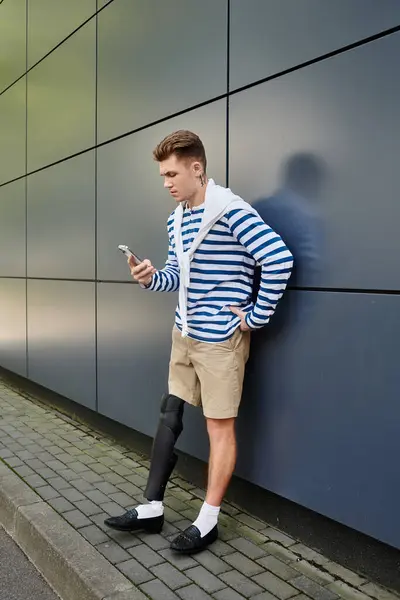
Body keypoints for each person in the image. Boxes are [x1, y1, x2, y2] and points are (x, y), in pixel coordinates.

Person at [104, 130, 293, 553]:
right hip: (184, 334)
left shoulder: (230, 211)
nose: (167, 182)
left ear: (197, 168)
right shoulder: (177, 218)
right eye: (162, 176)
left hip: (219, 342)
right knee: (169, 411)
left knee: (218, 427)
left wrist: (256, 317)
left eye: (172, 173)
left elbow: (279, 258)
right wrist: (152, 277)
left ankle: (208, 521)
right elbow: (177, 276)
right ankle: (152, 507)